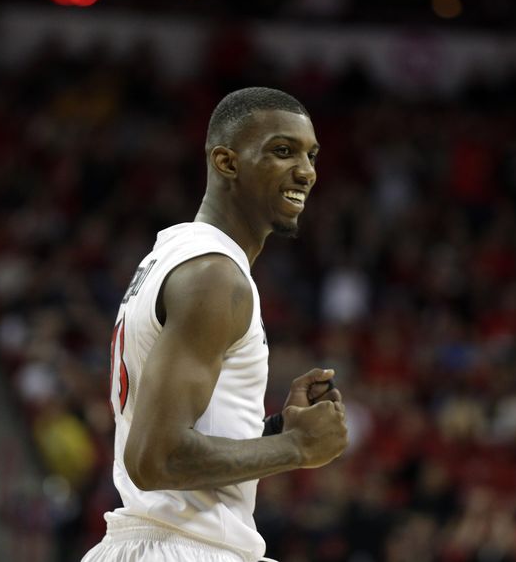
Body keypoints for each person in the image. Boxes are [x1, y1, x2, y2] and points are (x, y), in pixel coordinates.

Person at [81, 87, 349, 562]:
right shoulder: (213, 275)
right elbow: (155, 459)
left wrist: (273, 433)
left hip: (155, 542)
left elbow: (176, 439)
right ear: (227, 163)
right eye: (282, 151)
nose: (306, 171)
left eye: (311, 155)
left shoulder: (175, 255)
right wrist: (296, 447)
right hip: (185, 547)